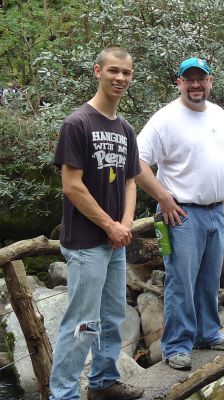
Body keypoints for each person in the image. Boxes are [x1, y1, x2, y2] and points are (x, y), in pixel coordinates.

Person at [49, 47, 144, 400]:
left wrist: (127, 222)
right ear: (98, 71)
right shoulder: (77, 123)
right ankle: (64, 393)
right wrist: (110, 225)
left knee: (113, 314)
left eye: (127, 73)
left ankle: (104, 382)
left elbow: (131, 180)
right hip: (86, 242)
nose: (120, 78)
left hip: (115, 240)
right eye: (113, 71)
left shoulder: (126, 129)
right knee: (82, 322)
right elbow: (72, 185)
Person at [135, 57, 224, 371]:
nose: (195, 85)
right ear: (179, 82)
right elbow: (136, 162)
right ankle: (176, 346)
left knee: (209, 279)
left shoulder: (218, 114)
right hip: (179, 215)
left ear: (210, 81)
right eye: (188, 79)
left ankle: (207, 333)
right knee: (180, 282)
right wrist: (163, 197)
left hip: (214, 213)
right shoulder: (165, 118)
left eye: (201, 79)